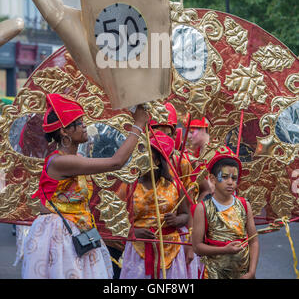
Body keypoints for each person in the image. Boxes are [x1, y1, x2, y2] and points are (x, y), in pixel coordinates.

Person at [21, 93, 148, 279]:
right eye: (79, 123)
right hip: (59, 234)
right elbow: (116, 162)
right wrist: (138, 125)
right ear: (64, 131)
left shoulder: (77, 159)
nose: (84, 126)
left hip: (80, 231)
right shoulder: (59, 162)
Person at [120, 131, 197, 279]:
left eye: (146, 155)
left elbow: (187, 215)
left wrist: (176, 220)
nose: (140, 158)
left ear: (157, 161)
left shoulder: (174, 185)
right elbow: (114, 221)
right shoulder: (129, 186)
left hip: (172, 250)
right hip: (138, 251)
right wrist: (133, 232)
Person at [192, 146, 259, 279]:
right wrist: (224, 250)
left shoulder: (245, 205)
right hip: (214, 273)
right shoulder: (202, 208)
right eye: (224, 177)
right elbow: (197, 247)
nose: (230, 182)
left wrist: (251, 272)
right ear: (212, 178)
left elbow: (254, 241)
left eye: (234, 178)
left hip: (242, 273)